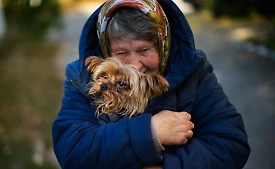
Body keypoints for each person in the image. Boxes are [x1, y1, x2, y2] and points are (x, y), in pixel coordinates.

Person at [52, 0, 251, 168]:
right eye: (121, 53)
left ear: (164, 46)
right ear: (107, 50)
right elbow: (71, 151)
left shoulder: (193, 71)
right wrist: (150, 133)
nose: (135, 65)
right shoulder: (82, 77)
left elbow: (230, 146)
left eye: (144, 50)